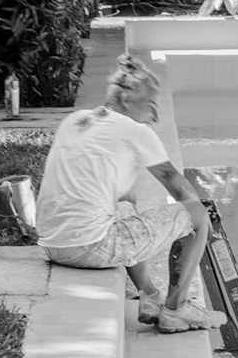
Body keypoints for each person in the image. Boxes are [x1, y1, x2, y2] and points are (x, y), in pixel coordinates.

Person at [34, 54, 227, 333]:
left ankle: (149, 296)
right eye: (151, 107)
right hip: (88, 248)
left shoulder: (76, 120)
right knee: (197, 212)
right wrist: (203, 226)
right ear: (126, 101)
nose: (156, 117)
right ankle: (177, 309)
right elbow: (179, 187)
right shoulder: (135, 131)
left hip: (53, 245)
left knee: (125, 201)